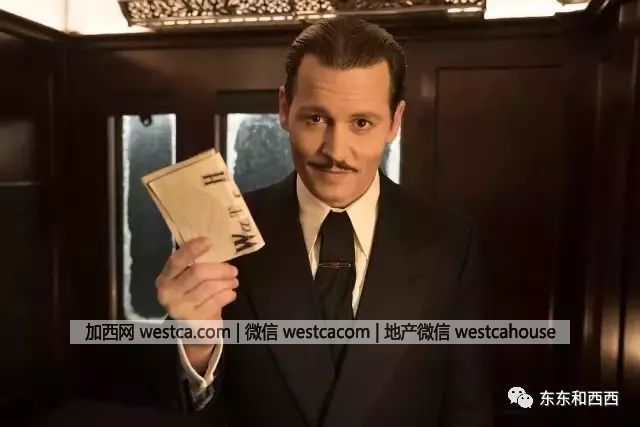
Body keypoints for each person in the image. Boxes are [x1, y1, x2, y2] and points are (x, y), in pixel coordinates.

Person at [154, 17, 492, 427]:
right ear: (284, 108)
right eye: (315, 119)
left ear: (395, 121)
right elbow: (175, 405)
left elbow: (467, 408)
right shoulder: (214, 236)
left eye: (361, 123)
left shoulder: (451, 244)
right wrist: (196, 345)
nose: (336, 151)